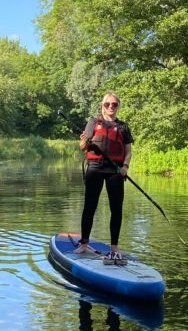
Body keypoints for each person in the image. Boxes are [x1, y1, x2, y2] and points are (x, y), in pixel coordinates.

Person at [73, 92, 133, 265]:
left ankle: (114, 248)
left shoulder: (123, 127)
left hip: (115, 171)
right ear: (102, 105)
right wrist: (85, 141)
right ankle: (84, 243)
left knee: (117, 209)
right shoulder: (93, 122)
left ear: (118, 106)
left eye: (114, 104)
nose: (111, 107)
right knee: (90, 206)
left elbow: (128, 151)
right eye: (108, 104)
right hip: (95, 168)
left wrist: (125, 167)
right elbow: (82, 146)